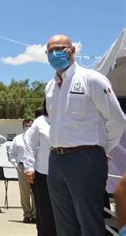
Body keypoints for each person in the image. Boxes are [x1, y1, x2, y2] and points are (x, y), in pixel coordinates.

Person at [44, 34, 125, 236]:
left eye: (59, 49)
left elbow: (117, 120)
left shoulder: (92, 79)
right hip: (55, 159)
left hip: (85, 158)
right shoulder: (50, 87)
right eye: (50, 51)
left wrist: (100, 148)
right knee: (63, 223)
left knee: (89, 221)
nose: (54, 54)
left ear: (72, 50)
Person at [24, 103, 57, 236]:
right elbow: (29, 144)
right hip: (44, 175)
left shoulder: (68, 118)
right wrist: (29, 167)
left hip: (68, 173)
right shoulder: (40, 122)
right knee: (45, 214)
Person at [9, 121, 36, 223]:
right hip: (22, 167)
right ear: (23, 126)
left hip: (35, 167)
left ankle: (35, 215)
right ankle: (27, 214)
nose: (28, 127)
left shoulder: (36, 138)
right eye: (26, 125)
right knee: (24, 192)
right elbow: (12, 153)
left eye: (30, 125)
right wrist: (16, 165)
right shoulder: (17, 138)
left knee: (34, 192)